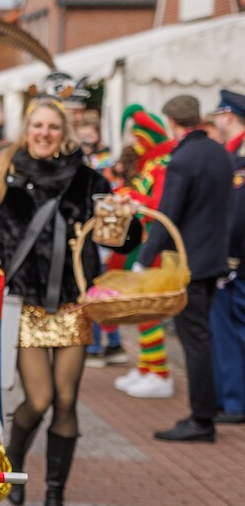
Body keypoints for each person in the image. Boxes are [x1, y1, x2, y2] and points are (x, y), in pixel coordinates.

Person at [0, 94, 141, 506]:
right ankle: (16, 461)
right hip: (25, 304)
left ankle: (55, 496)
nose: (44, 133)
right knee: (36, 400)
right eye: (37, 126)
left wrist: (125, 223)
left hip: (74, 305)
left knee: (65, 400)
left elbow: (122, 238)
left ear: (64, 133)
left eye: (52, 127)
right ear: (27, 129)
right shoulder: (3, 173)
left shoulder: (89, 179)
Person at [139, 95, 234, 443]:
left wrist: (143, 259)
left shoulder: (182, 159)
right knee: (203, 338)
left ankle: (201, 418)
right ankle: (208, 410)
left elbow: (167, 215)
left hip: (189, 264)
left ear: (172, 123)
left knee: (194, 341)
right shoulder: (219, 153)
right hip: (214, 260)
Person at [108, 105, 177, 399]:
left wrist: (132, 196)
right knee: (139, 309)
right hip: (142, 245)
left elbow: (159, 204)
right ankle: (147, 366)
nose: (136, 143)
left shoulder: (163, 164)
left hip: (156, 248)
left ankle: (160, 372)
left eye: (140, 136)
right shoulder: (150, 163)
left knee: (148, 310)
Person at [76, 120, 127, 369]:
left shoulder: (105, 162)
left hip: (103, 236)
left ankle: (102, 345)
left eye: (89, 134)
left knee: (98, 294)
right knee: (96, 293)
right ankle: (106, 344)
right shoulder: (79, 160)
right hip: (90, 235)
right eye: (81, 135)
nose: (86, 138)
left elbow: (111, 196)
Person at [207, 90, 245, 424]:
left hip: (236, 263)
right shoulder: (232, 155)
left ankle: (234, 401)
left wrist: (229, 258)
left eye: (219, 115)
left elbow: (236, 216)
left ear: (229, 116)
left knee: (229, 333)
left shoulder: (239, 160)